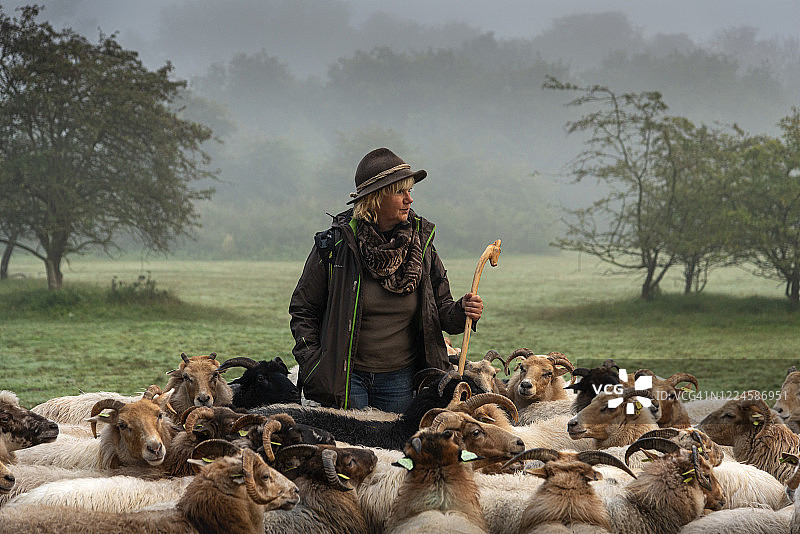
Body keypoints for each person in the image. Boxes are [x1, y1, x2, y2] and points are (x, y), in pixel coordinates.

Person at [289, 147, 483, 411]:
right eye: (400, 192)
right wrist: (314, 365)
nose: (409, 199)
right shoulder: (337, 245)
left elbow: (442, 312)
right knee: (353, 439)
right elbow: (303, 309)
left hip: (401, 380)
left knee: (395, 439)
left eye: (410, 191)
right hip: (346, 379)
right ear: (376, 199)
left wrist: (463, 310)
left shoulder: (421, 246)